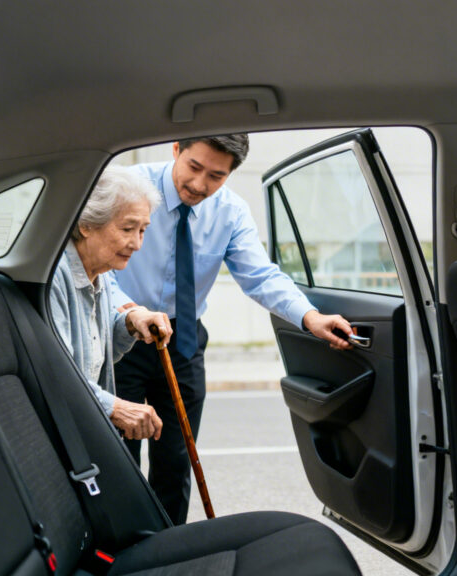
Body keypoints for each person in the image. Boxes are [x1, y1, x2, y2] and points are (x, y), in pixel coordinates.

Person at [110, 135, 354, 524]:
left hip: (184, 340)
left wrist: (310, 317)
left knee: (176, 458)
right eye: (194, 167)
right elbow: (95, 265)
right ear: (175, 149)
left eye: (216, 176)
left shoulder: (230, 212)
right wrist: (128, 312)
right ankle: (119, 549)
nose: (200, 185)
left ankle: (171, 549)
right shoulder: (129, 187)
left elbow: (260, 276)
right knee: (117, 456)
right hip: (121, 335)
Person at [50, 166, 174, 441]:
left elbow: (98, 348)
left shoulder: (99, 275)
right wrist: (114, 407)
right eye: (128, 228)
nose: (137, 244)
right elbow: (58, 373)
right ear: (86, 225)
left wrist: (130, 322)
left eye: (142, 230)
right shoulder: (57, 276)